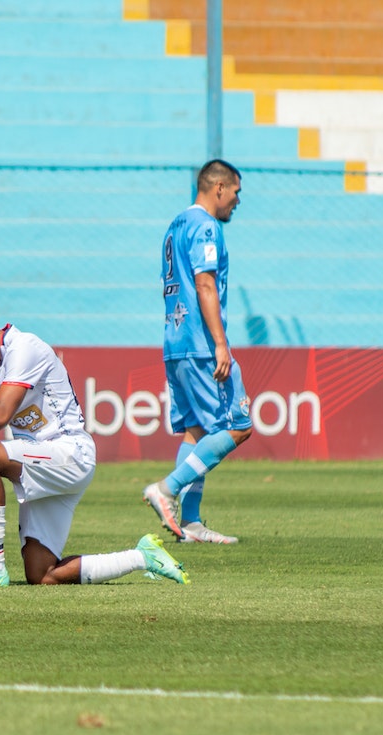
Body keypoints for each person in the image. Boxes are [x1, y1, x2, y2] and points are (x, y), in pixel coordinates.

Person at [0, 301, 188, 586]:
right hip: (43, 461)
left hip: (68, 452)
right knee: (42, 574)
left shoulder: (24, 349)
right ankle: (143, 557)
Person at [144, 159, 253, 545]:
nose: (238, 201)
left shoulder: (175, 227)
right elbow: (204, 284)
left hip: (175, 340)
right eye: (236, 192)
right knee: (238, 427)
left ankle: (188, 523)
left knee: (196, 430)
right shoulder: (206, 226)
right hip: (201, 343)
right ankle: (167, 490)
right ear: (219, 188)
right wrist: (221, 343)